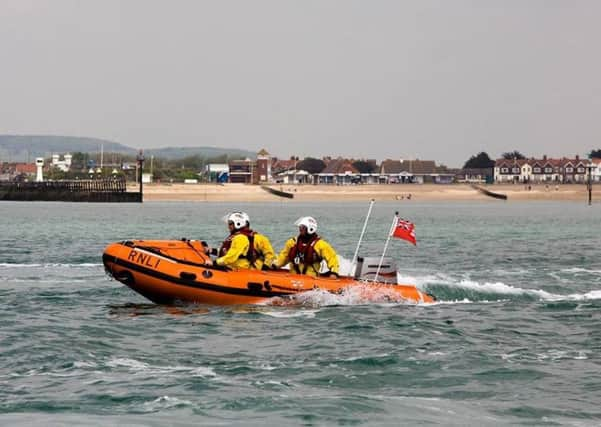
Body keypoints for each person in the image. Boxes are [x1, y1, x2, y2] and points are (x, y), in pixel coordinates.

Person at [273, 216, 340, 277]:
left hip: (311, 278)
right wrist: (275, 265)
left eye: (302, 227)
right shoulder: (292, 242)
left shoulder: (320, 245)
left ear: (310, 228)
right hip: (293, 276)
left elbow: (332, 258)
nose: (300, 229)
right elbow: (283, 257)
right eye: (300, 227)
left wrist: (334, 272)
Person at [208, 212, 275, 270]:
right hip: (236, 268)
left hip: (240, 270)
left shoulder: (240, 238)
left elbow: (231, 257)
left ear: (238, 223)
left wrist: (214, 263)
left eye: (230, 223)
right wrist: (212, 251)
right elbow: (229, 251)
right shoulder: (238, 237)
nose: (228, 226)